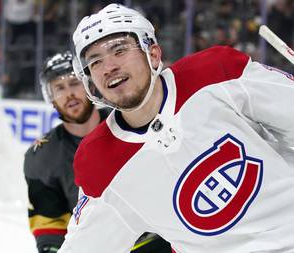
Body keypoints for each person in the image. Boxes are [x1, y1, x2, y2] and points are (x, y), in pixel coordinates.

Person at [58, 4, 294, 253]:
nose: (109, 67)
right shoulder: (100, 163)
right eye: (95, 62)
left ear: (153, 54)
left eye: (120, 50)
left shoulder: (216, 72)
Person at [23, 51, 172, 253]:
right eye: (59, 88)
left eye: (74, 83)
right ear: (50, 98)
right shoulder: (42, 156)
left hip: (162, 240)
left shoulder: (130, 123)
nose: (69, 94)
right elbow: (50, 225)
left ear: (88, 85)